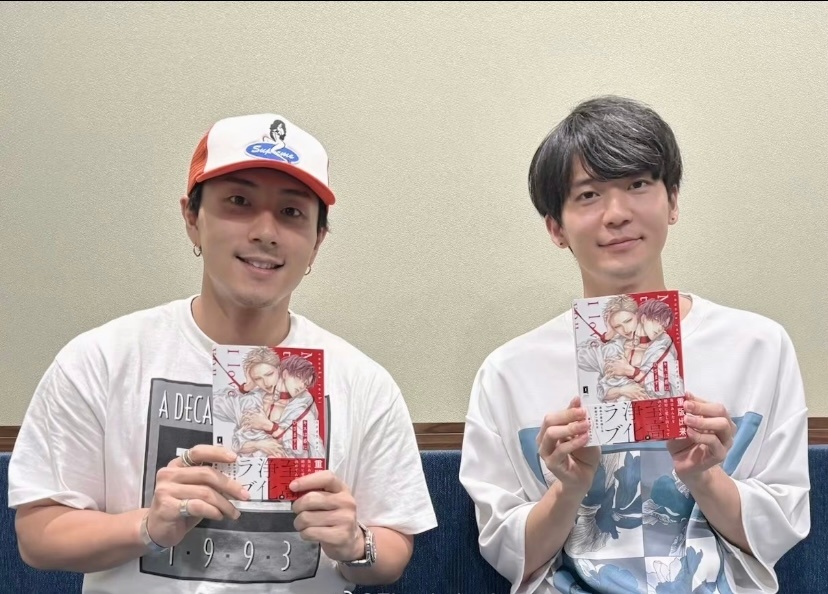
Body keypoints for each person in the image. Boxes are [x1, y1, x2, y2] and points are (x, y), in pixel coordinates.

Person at [8, 112, 437, 593]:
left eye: (291, 212)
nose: (265, 231)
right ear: (192, 218)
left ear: (317, 241)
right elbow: (38, 536)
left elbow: (392, 552)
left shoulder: (364, 382)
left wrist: (356, 544)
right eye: (239, 201)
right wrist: (149, 526)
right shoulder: (100, 360)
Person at [459, 95, 810, 594]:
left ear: (673, 201)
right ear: (556, 228)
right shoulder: (507, 372)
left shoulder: (758, 346)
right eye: (588, 195)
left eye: (638, 185)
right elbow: (506, 554)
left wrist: (704, 476)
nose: (617, 213)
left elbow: (781, 530)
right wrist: (568, 490)